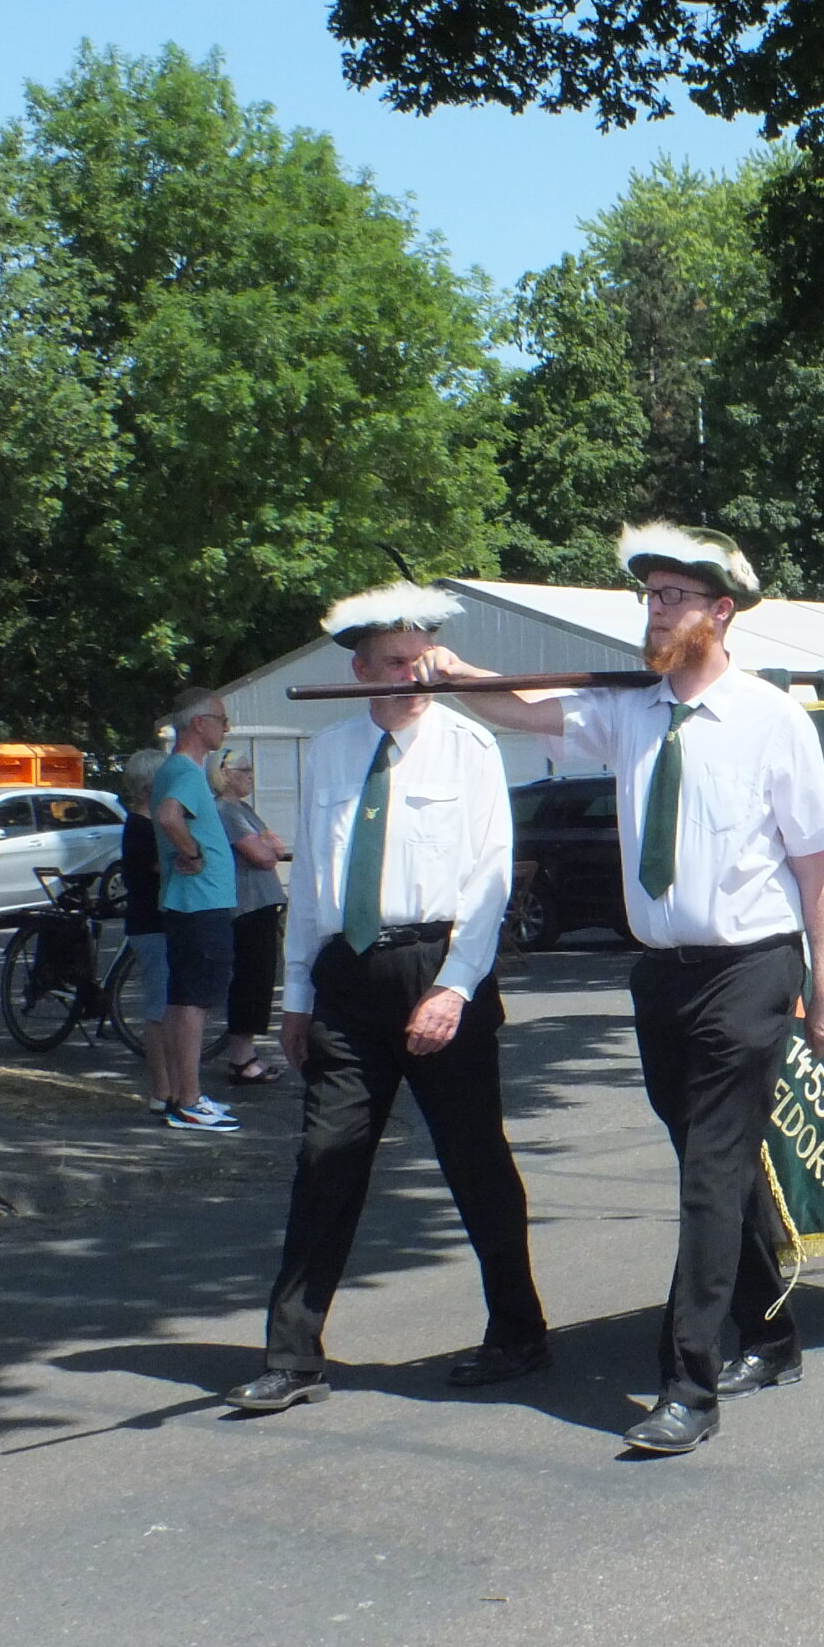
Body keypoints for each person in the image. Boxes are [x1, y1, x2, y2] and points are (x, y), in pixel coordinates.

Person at [442, 525, 824, 1455]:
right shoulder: (629, 708)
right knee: (717, 1162)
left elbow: (815, 865)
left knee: (708, 1172)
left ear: (720, 611)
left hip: (750, 967)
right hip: (661, 974)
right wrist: (456, 674)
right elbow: (525, 711)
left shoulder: (773, 719)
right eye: (649, 596)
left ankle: (686, 1385)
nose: (655, 611)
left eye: (672, 597)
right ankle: (772, 1331)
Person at [223, 582, 547, 1418]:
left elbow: (491, 879)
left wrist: (454, 986)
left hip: (438, 967)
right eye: (395, 661)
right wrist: (296, 995)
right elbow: (315, 883)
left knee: (475, 1161)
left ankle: (517, 1330)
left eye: (421, 658)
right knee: (325, 1161)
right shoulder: (331, 750)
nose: (413, 673)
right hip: (347, 978)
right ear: (360, 669)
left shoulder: (469, 746)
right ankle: (293, 1356)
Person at [151, 690, 238, 1130]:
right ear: (199, 723)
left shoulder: (176, 769)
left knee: (182, 998)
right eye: (222, 719)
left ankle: (179, 1095)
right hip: (201, 902)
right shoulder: (185, 770)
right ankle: (189, 1098)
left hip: (189, 902)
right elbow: (169, 817)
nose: (227, 728)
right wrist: (194, 853)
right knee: (193, 1002)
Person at [213, 748, 291, 1085]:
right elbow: (264, 856)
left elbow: (277, 846)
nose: (251, 776)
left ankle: (247, 1053)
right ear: (225, 774)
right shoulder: (226, 811)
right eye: (244, 770)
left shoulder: (243, 808)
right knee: (250, 979)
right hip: (247, 905)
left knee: (261, 979)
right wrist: (264, 844)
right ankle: (241, 1058)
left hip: (262, 903)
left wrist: (265, 844)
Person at [119, 749, 176, 1112]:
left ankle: (169, 1086)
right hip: (151, 925)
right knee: (159, 1007)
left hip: (155, 923)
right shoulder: (142, 828)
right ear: (149, 787)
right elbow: (167, 866)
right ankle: (161, 1089)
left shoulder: (146, 825)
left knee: (166, 1004)